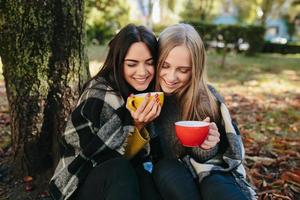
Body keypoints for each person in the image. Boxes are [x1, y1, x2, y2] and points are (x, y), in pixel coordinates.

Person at [49, 24, 162, 200]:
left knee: (146, 178)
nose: (143, 72)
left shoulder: (147, 94)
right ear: (118, 62)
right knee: (120, 169)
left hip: (122, 181)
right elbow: (99, 158)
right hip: (82, 180)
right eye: (132, 64)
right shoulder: (99, 97)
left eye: (150, 63)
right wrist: (137, 125)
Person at [151, 23, 257, 200]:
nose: (171, 77)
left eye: (183, 70)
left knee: (218, 187)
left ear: (196, 70)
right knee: (168, 172)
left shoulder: (205, 98)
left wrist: (208, 146)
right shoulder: (145, 97)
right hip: (170, 172)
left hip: (210, 170)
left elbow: (216, 157)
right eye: (165, 66)